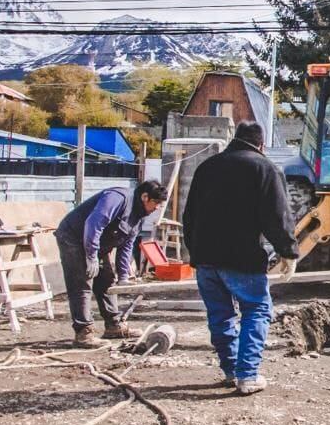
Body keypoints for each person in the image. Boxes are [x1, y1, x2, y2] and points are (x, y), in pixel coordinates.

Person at [183, 121, 299, 395]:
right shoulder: (264, 168)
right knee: (256, 309)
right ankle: (247, 376)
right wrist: (288, 251)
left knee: (220, 316)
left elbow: (189, 216)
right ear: (261, 145)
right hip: (243, 258)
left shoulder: (207, 167)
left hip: (206, 259)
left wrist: (195, 252)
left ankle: (230, 370)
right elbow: (277, 216)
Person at [54, 180, 168, 347]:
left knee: (107, 280)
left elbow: (127, 244)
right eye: (156, 203)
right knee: (82, 283)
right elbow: (94, 224)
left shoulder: (139, 215)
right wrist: (91, 255)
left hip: (97, 244)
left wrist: (123, 276)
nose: (157, 207)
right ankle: (83, 333)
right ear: (145, 197)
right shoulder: (117, 197)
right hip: (73, 238)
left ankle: (114, 325)